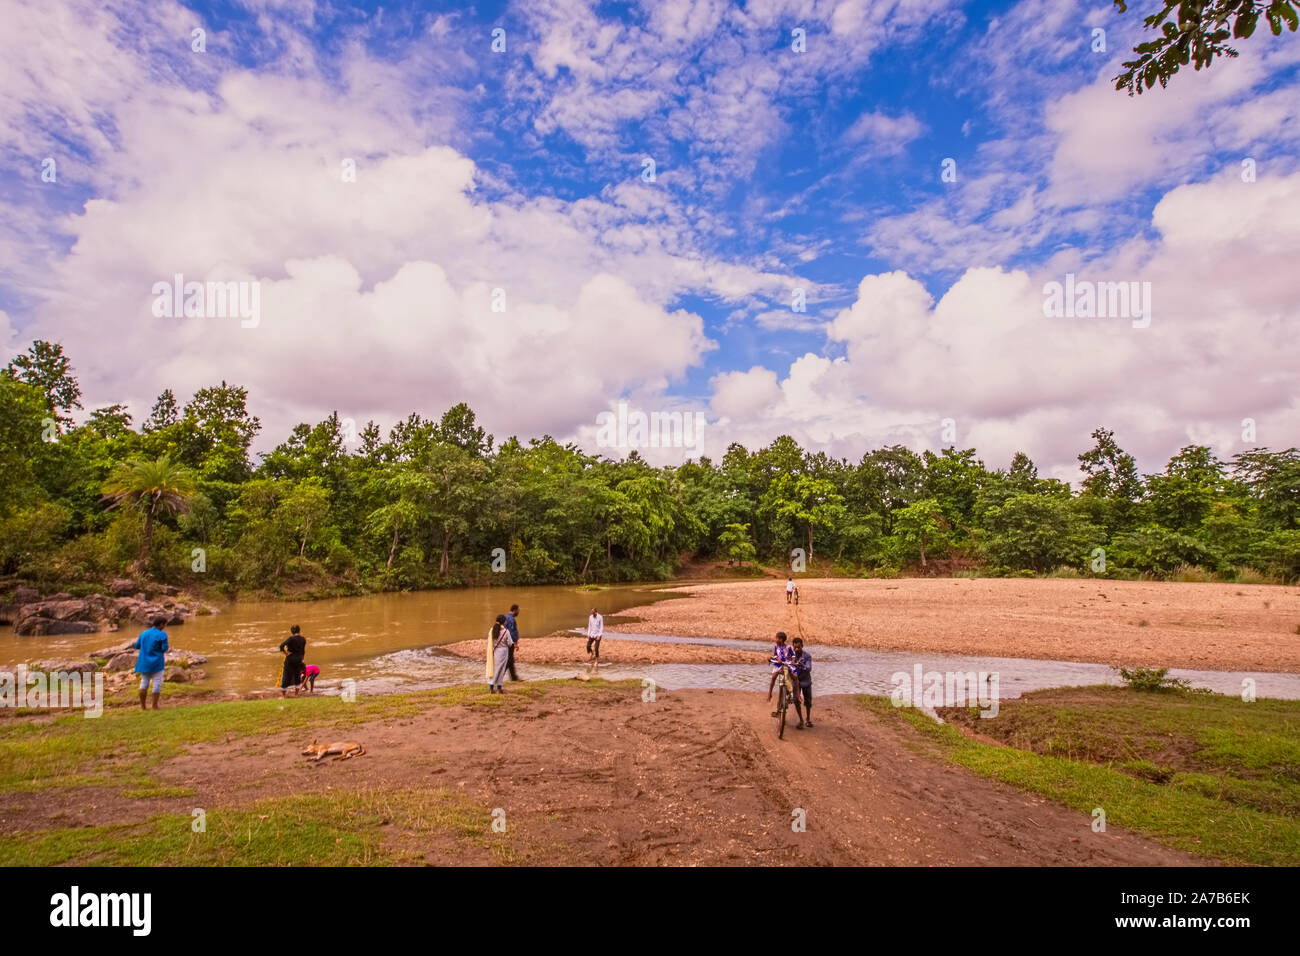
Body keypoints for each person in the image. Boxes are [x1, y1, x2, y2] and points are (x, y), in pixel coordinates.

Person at [132, 615, 170, 711]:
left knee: (144, 682)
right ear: (161, 624)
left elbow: (137, 646)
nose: (164, 627)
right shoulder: (162, 634)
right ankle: (154, 706)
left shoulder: (144, 633)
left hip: (144, 662)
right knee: (157, 683)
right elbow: (164, 648)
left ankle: (143, 707)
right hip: (157, 662)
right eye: (164, 625)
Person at [788, 636, 814, 729]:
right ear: (793, 647)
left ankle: (808, 719)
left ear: (802, 646)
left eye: (799, 647)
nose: (797, 649)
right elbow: (787, 665)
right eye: (795, 647)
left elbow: (809, 668)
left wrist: (802, 664)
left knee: (808, 701)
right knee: (796, 700)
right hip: (796, 681)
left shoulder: (807, 656)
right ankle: (801, 720)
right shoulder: (791, 656)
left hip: (806, 681)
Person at [767, 630, 792, 716]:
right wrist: (772, 658)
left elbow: (791, 656)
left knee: (787, 681)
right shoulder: (776, 647)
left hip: (785, 665)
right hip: (777, 665)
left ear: (781, 639)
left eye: (776, 638)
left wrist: (789, 661)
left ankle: (789, 695)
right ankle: (770, 693)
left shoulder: (788, 647)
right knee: (773, 677)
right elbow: (775, 655)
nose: (775, 639)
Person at [487, 614, 514, 693]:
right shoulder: (506, 631)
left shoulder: (491, 630)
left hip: (494, 652)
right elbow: (509, 643)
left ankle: (491, 688)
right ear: (504, 622)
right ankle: (499, 689)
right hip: (503, 652)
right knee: (501, 670)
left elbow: (489, 642)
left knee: (494, 669)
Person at [278, 624, 307, 698]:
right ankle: (296, 694)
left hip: (290, 659)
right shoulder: (303, 639)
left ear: (291, 631)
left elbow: (281, 646)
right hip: (299, 659)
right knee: (297, 676)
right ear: (299, 630)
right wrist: (302, 657)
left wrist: (286, 653)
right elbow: (303, 650)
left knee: (286, 676)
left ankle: (283, 696)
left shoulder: (291, 638)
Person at [504, 604, 521, 681]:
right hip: (509, 643)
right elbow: (511, 632)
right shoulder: (511, 619)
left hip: (505, 642)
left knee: (510, 659)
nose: (519, 612)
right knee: (508, 660)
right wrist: (514, 643)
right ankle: (498, 677)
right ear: (515, 610)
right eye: (518, 610)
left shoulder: (506, 617)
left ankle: (514, 677)